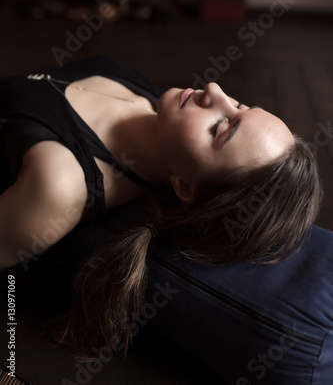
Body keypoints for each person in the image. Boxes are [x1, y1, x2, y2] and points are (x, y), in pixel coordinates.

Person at [0, 55, 322, 357]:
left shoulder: (60, 185)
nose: (214, 90)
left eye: (219, 127)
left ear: (183, 185)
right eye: (240, 105)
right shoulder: (167, 114)